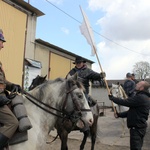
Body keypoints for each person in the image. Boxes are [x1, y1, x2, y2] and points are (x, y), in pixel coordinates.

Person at [108, 81, 150, 150]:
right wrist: (119, 115)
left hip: (137, 128)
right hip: (139, 127)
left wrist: (113, 98)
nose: (136, 84)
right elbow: (131, 112)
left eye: (138, 84)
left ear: (141, 88)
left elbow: (126, 102)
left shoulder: (141, 97)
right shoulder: (143, 97)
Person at [0, 29, 22, 149]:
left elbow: (2, 82)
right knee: (13, 122)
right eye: (1, 41)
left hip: (2, 96)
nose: (3, 46)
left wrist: (12, 85)